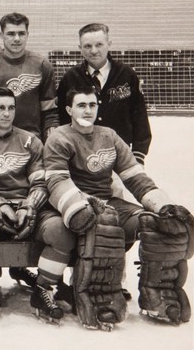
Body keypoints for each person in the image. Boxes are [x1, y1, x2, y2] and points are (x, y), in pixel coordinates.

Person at [45, 86, 193, 329]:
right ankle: (101, 300)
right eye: (82, 105)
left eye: (92, 105)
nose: (88, 110)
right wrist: (80, 207)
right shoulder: (60, 137)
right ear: (69, 109)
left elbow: (134, 176)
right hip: (80, 203)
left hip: (110, 202)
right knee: (105, 225)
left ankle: (158, 296)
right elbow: (56, 180)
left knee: (160, 224)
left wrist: (162, 205)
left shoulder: (109, 135)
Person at [0, 87, 75, 324]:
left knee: (60, 230)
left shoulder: (30, 141)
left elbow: (40, 184)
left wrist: (29, 206)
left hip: (26, 206)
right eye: (0, 108)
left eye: (11, 108)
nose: (6, 113)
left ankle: (43, 289)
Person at [57, 23, 151, 164]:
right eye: (87, 46)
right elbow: (62, 117)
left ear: (109, 44)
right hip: (82, 156)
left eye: (99, 44)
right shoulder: (70, 78)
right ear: (80, 49)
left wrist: (138, 155)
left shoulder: (126, 74)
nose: (94, 51)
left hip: (121, 154)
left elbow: (140, 117)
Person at [0, 12, 57, 141]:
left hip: (30, 142)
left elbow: (50, 114)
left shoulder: (42, 65)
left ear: (27, 35)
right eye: (11, 34)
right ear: (1, 35)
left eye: (21, 33)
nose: (17, 39)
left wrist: (49, 146)